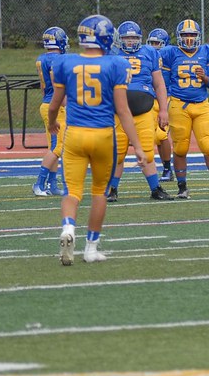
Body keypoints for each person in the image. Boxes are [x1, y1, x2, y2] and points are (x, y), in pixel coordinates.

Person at [48, 15, 146, 264]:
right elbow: (123, 111)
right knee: (100, 192)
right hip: (103, 134)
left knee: (72, 192)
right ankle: (91, 249)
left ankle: (68, 228)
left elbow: (54, 105)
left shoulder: (65, 62)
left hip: (75, 135)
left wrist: (51, 124)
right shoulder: (116, 64)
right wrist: (138, 146)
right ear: (105, 37)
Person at [160, 19, 209, 200]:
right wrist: (163, 107)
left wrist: (205, 78)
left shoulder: (207, 52)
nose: (189, 39)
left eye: (192, 35)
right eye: (185, 35)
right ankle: (182, 187)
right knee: (181, 148)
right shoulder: (170, 53)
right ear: (178, 37)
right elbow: (164, 82)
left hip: (202, 105)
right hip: (179, 105)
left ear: (198, 36)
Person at [106, 21, 172, 202]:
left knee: (147, 152)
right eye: (127, 37)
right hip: (118, 111)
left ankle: (155, 188)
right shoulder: (111, 53)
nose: (130, 41)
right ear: (120, 39)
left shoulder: (150, 52)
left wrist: (163, 109)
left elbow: (159, 83)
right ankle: (112, 189)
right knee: (118, 152)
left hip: (144, 109)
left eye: (134, 37)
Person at [33, 27, 69, 197]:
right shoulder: (57, 60)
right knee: (58, 148)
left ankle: (53, 184)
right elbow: (57, 86)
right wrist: (66, 104)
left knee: (53, 147)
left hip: (47, 104)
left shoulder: (42, 58)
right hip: (55, 106)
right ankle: (39, 184)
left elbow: (43, 87)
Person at [144, 27, 174, 181]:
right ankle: (156, 168)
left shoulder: (169, 55)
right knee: (150, 136)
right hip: (149, 98)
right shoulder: (146, 55)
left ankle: (168, 169)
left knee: (162, 135)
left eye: (158, 43)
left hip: (165, 97)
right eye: (152, 43)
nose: (154, 46)